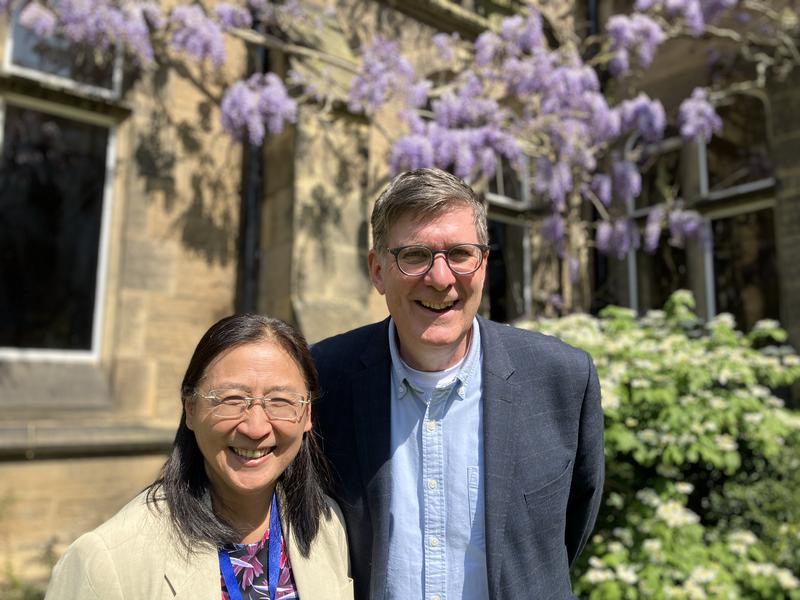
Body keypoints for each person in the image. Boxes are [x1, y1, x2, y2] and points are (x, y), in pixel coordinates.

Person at [312, 168, 604, 599]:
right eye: (414, 255)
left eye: (460, 254)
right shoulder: (323, 381)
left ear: (483, 264)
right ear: (377, 271)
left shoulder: (561, 380)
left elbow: (566, 531)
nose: (441, 278)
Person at [46, 314, 353, 600]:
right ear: (190, 408)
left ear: (308, 413)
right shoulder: (106, 561)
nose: (256, 427)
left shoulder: (327, 527)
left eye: (280, 400)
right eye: (231, 399)